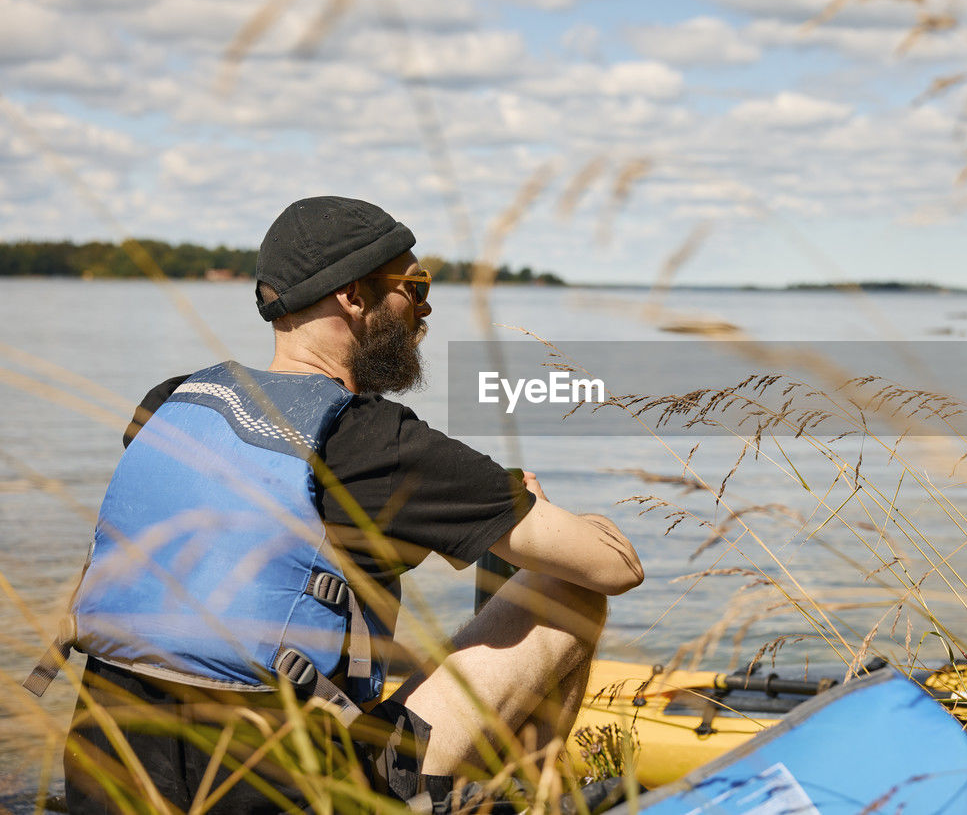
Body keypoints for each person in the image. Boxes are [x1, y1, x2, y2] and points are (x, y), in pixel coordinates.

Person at [58, 196, 644, 813]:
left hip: (108, 776)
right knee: (572, 590)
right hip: (294, 791)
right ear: (354, 296)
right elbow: (614, 569)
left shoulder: (169, 403)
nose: (424, 308)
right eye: (413, 286)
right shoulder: (374, 442)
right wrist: (512, 507)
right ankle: (534, 799)